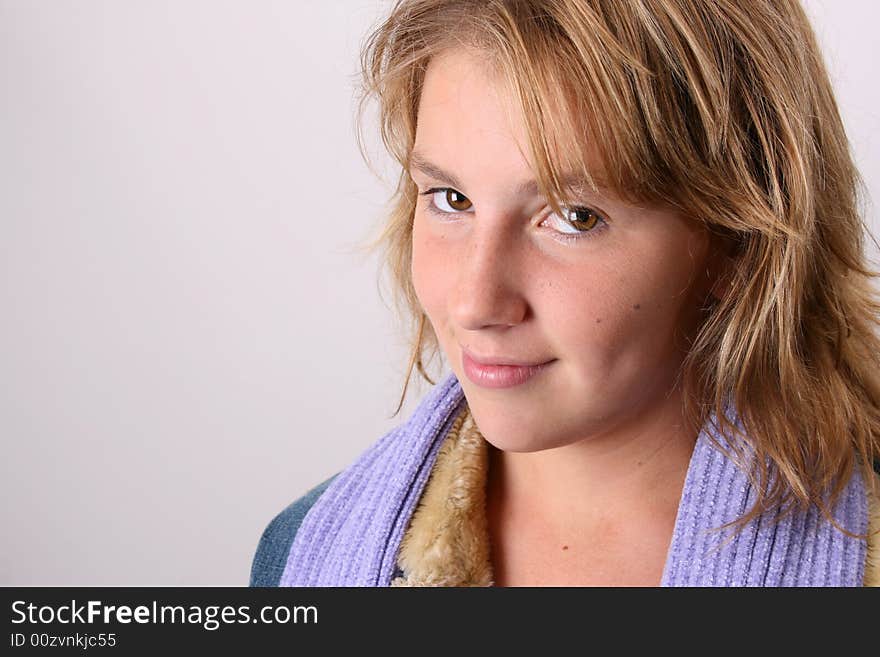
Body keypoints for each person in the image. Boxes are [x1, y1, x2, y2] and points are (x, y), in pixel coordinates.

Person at [250, 0, 880, 587]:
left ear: (740, 242)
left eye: (574, 217)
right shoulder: (299, 553)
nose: (475, 303)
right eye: (451, 200)